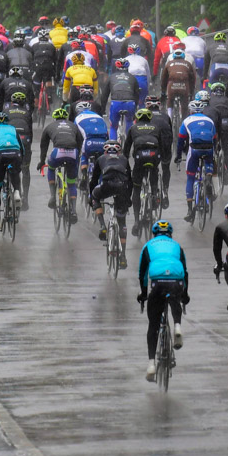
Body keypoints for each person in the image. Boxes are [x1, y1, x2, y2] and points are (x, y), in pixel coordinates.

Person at [138, 221, 189, 381]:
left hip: (157, 283)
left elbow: (142, 274)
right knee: (175, 298)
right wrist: (185, 294)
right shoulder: (177, 246)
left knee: (153, 326)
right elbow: (185, 272)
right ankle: (178, 326)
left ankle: (152, 364)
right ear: (170, 234)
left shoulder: (147, 246)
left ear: (154, 234)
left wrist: (144, 294)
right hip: (176, 280)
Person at [38, 103, 82, 221]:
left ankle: (53, 196)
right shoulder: (73, 126)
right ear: (66, 118)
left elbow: (44, 146)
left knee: (51, 168)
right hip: (73, 153)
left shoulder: (50, 127)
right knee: (71, 183)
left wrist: (42, 161)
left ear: (54, 118)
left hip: (58, 152)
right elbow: (80, 142)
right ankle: (73, 210)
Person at [176, 99, 217, 222]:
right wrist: (213, 152)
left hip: (194, 150)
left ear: (191, 110)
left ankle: (190, 210)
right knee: (209, 162)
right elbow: (214, 138)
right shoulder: (209, 120)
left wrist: (178, 156)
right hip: (209, 148)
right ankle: (209, 178)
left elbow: (180, 141)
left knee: (190, 177)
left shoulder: (187, 120)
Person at [123, 107, 163, 232]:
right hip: (154, 155)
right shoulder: (156, 127)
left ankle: (136, 221)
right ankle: (155, 195)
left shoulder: (133, 128)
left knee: (136, 187)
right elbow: (162, 145)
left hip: (140, 157)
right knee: (154, 169)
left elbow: (126, 148)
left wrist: (125, 164)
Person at [90, 141, 134, 256]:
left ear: (105, 151)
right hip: (122, 188)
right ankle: (123, 256)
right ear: (118, 151)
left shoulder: (101, 158)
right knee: (122, 222)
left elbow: (94, 181)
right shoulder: (124, 159)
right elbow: (130, 180)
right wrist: (128, 198)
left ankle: (102, 226)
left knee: (95, 195)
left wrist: (91, 199)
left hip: (106, 186)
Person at [4, 94, 36, 207]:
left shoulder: (6, 111)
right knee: (25, 169)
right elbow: (30, 132)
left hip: (9, 138)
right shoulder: (27, 113)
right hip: (24, 139)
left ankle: (7, 190)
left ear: (12, 103)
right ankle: (25, 198)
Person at [98, 58, 141, 142]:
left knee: (113, 126)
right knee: (129, 121)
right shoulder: (133, 78)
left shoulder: (111, 77)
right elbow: (137, 95)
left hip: (116, 103)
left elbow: (104, 95)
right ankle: (129, 143)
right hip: (130, 103)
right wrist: (135, 108)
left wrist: (103, 109)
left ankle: (112, 144)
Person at [205, 81, 228, 185]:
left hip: (215, 124)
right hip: (226, 124)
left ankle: (212, 168)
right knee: (226, 149)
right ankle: (226, 173)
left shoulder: (209, 101)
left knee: (212, 147)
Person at [160, 48, 197, 119]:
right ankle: (184, 119)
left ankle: (169, 117)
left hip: (172, 85)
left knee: (170, 100)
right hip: (184, 85)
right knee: (185, 102)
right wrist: (192, 92)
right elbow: (192, 79)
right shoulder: (188, 63)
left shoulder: (169, 63)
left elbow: (163, 79)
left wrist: (163, 92)